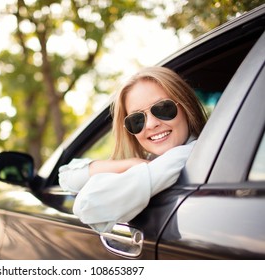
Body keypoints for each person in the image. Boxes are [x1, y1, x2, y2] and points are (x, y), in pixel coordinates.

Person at [58, 66, 208, 233]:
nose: (151, 124)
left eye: (163, 108)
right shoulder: (152, 160)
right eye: (137, 119)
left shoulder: (189, 154)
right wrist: (131, 163)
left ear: (186, 106)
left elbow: (87, 206)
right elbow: (67, 177)